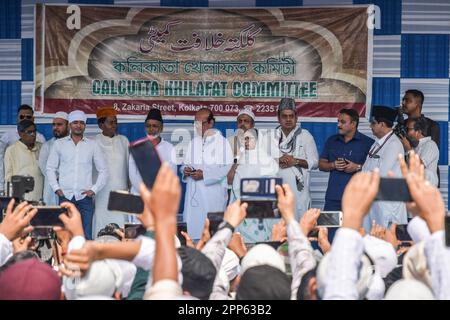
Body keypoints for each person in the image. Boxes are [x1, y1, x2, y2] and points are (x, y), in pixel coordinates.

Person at [46, 110, 108, 240]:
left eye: (81, 123)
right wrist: (56, 189)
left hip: (85, 198)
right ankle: (65, 260)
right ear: (69, 125)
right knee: (64, 235)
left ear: (85, 125)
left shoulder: (92, 145)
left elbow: (103, 170)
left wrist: (94, 190)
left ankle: (86, 260)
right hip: (65, 196)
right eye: (75, 122)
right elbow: (50, 168)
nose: (78, 125)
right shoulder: (59, 144)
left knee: (86, 235)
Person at [181, 108, 233, 239]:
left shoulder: (223, 143)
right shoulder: (193, 142)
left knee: (212, 235)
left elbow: (226, 169)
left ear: (211, 123)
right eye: (196, 123)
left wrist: (205, 175)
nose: (199, 127)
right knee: (192, 234)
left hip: (212, 197)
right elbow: (185, 164)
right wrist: (186, 170)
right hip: (193, 197)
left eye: (202, 123)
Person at [228, 129, 279, 242]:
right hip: (241, 207)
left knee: (260, 243)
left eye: (249, 138)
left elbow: (272, 184)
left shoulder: (267, 160)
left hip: (259, 208)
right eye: (244, 139)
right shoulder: (241, 158)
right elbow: (232, 182)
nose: (245, 142)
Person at [362, 105, 407, 230]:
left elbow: (381, 174)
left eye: (373, 123)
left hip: (388, 204)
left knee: (387, 242)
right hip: (374, 202)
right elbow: (365, 169)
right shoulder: (376, 143)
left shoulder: (394, 144)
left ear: (382, 124)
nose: (370, 126)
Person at [319, 109, 374, 210]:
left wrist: (358, 167)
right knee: (329, 226)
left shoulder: (368, 143)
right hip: (333, 198)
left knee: (354, 226)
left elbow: (375, 170)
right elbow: (321, 164)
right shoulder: (332, 141)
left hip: (357, 198)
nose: (338, 125)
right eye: (338, 121)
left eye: (343, 122)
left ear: (353, 124)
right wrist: (333, 165)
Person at [275, 98, 319, 219]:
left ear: (296, 117)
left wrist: (295, 161)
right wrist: (278, 160)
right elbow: (263, 163)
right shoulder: (270, 137)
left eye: (291, 116)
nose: (288, 119)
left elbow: (315, 163)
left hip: (300, 194)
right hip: (277, 193)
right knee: (279, 231)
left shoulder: (305, 136)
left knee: (300, 230)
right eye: (284, 116)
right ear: (278, 118)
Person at [93, 107, 130, 237]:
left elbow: (128, 166)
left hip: (121, 192)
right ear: (101, 125)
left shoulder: (123, 141)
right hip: (101, 193)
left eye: (115, 122)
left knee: (121, 224)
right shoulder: (93, 142)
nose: (114, 125)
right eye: (110, 122)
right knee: (101, 223)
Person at [129, 108, 176, 194]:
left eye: (155, 126)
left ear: (161, 128)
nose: (151, 129)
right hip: (138, 195)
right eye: (148, 126)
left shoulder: (170, 148)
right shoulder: (136, 147)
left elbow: (171, 175)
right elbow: (132, 175)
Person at [0, 105, 46, 193]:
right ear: (17, 118)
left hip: (37, 186)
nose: (25, 119)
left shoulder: (40, 138)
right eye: (22, 116)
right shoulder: (7, 137)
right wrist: (2, 186)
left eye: (28, 117)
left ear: (33, 118)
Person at [4, 120, 43, 202]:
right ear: (20, 133)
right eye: (29, 132)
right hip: (21, 199)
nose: (33, 134)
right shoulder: (11, 150)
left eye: (34, 131)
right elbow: (8, 178)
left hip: (41, 198)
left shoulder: (42, 148)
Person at [38, 112, 69, 205]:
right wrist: (57, 178)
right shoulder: (47, 146)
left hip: (69, 188)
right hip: (51, 188)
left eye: (59, 124)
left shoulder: (74, 145)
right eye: (54, 125)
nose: (55, 127)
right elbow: (44, 167)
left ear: (68, 126)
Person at [402, 116, 439, 186]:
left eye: (408, 129)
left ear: (418, 131)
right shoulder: (413, 146)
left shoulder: (430, 145)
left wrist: (409, 150)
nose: (405, 132)